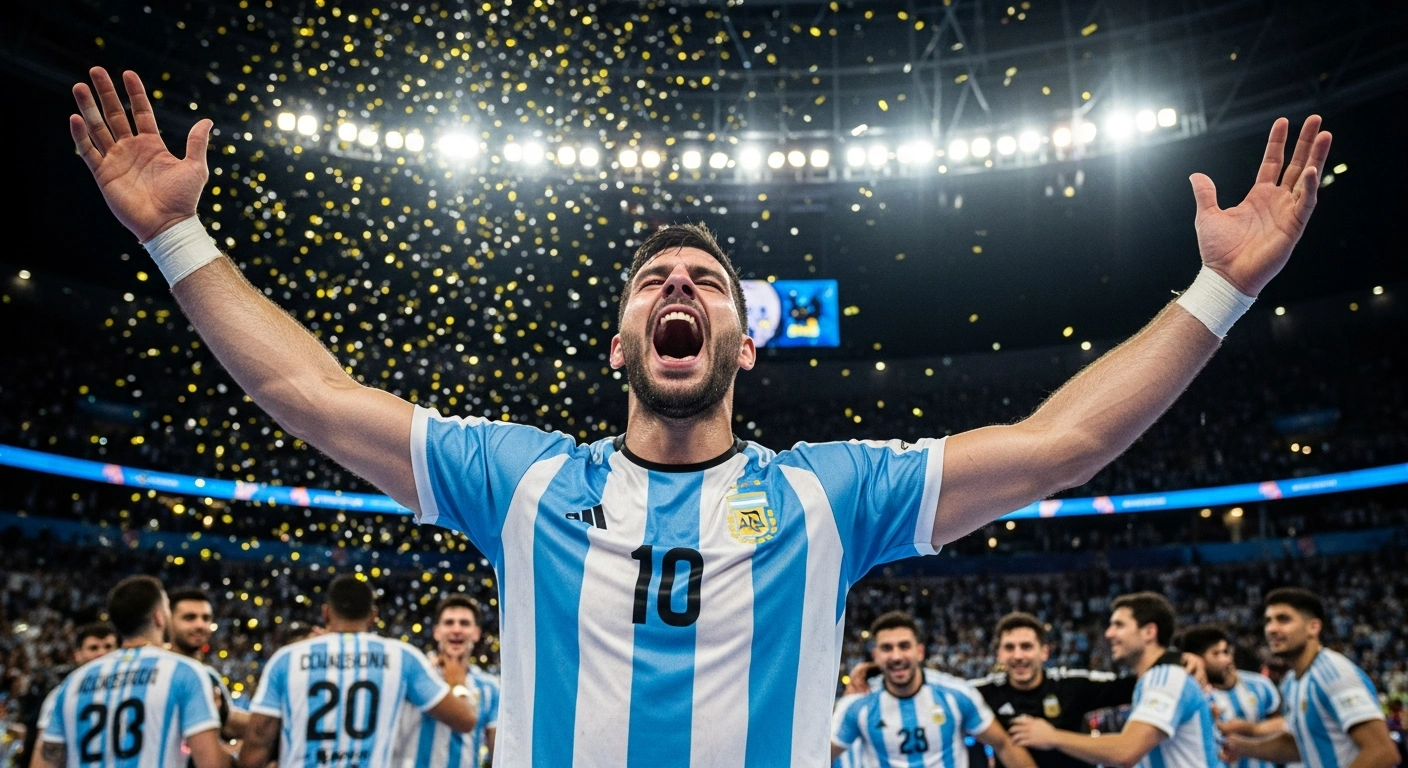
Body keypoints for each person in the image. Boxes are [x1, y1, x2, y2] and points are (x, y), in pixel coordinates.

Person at [68, 64, 1331, 765]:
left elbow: (1066, 444)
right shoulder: (522, 479)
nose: (679, 287)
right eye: (653, 281)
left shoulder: (830, 493)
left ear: (744, 341)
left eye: (708, 283)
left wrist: (1220, 289)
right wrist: (178, 237)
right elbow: (307, 394)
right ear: (621, 342)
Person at [239, 575, 477, 768]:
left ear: (326, 613)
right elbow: (465, 720)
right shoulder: (402, 658)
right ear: (373, 615)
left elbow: (254, 751)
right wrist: (456, 682)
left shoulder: (286, 659)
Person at [33, 576, 230, 768]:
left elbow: (45, 761)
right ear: (159, 617)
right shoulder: (185, 672)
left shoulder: (72, 682)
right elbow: (210, 763)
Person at [1009, 592, 1218, 767]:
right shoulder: (1151, 680)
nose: (1109, 633)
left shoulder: (1166, 678)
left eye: (1119, 625)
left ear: (1149, 632)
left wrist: (1052, 737)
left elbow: (1126, 751)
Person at [1221, 588, 1400, 768]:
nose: (1271, 629)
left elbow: (1382, 752)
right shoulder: (1292, 681)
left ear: (1313, 627)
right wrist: (1243, 747)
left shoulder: (1333, 674)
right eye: (1268, 621)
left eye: (1283, 619)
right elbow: (1301, 745)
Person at [831, 612, 1036, 768]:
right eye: (887, 648)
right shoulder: (857, 705)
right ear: (875, 656)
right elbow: (821, 755)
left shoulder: (956, 694)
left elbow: (1003, 744)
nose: (896, 656)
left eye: (904, 646)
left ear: (920, 651)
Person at [968, 612, 1138, 768]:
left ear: (1044, 652)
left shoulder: (1071, 686)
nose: (1018, 656)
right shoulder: (980, 694)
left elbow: (1134, 685)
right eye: (1009, 647)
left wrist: (1053, 737)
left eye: (1026, 646)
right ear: (999, 654)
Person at [392, 596, 500, 768]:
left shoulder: (490, 687)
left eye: (464, 623)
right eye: (449, 623)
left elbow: (498, 753)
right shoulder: (414, 675)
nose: (456, 629)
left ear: (476, 633)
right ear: (437, 632)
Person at [1176, 623, 1281, 768]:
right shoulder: (1194, 698)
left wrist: (1248, 728)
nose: (1227, 659)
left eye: (1226, 652)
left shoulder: (1260, 685)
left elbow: (1283, 727)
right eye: (1216, 654)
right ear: (1197, 659)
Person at [25, 622, 118, 768]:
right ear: (77, 655)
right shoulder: (62, 694)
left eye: (108, 647)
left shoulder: (136, 688)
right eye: (93, 648)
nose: (102, 653)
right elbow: (43, 754)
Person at [167, 586, 250, 741]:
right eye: (189, 618)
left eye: (206, 618)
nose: (200, 625)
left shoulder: (208, 675)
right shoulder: (157, 669)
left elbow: (228, 721)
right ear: (167, 620)